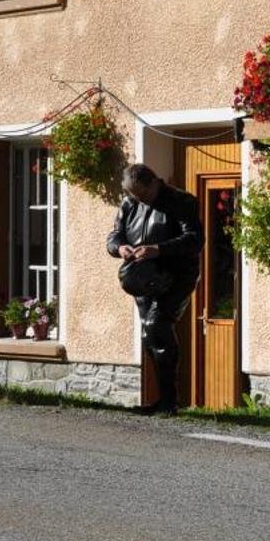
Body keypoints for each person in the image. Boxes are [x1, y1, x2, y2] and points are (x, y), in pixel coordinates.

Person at [107, 162, 203, 414]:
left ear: (153, 182)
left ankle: (171, 401)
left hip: (176, 276)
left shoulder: (182, 201)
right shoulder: (129, 204)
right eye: (132, 195)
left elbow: (194, 240)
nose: (138, 199)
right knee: (149, 336)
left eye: (142, 193)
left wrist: (158, 249)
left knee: (157, 325)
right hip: (142, 276)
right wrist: (120, 248)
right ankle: (162, 400)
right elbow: (114, 236)